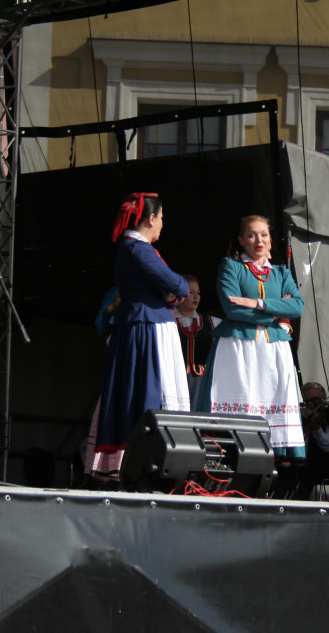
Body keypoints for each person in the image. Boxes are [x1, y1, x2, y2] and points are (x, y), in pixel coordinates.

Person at [90, 193, 190, 484]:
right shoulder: (138, 249)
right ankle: (147, 459)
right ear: (150, 218)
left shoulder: (134, 249)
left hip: (146, 323)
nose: (162, 224)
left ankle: (148, 458)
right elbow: (176, 283)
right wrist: (175, 288)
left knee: (143, 389)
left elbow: (170, 288)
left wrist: (170, 292)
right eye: (161, 218)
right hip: (146, 329)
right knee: (147, 388)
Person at [197, 215, 306, 460]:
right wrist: (276, 311)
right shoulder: (231, 266)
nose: (259, 240)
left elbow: (297, 307)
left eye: (264, 234)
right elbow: (232, 308)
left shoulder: (280, 272)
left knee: (271, 399)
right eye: (251, 235)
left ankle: (265, 461)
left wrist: (256, 303)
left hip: (273, 348)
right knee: (239, 396)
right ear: (241, 240)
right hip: (238, 345)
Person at [173, 274, 219, 408]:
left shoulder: (212, 322)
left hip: (201, 380)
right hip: (175, 377)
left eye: (198, 293)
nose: (196, 297)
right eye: (190, 292)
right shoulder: (167, 322)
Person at [293, 382, 329, 499]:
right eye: (306, 401)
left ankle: (301, 503)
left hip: (325, 465)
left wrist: (317, 428)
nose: (310, 404)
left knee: (305, 473)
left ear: (324, 397)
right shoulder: (303, 416)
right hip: (300, 463)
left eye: (314, 400)